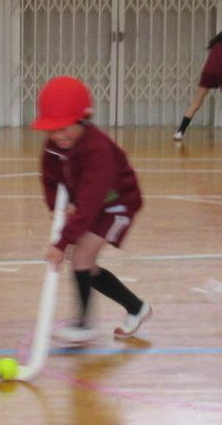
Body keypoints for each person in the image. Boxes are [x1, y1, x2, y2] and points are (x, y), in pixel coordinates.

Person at [34, 77, 150, 346]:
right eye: (51, 130)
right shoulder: (54, 147)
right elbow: (49, 179)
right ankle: (136, 308)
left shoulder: (98, 151)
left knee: (81, 257)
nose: (57, 137)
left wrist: (61, 243)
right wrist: (55, 210)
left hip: (118, 204)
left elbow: (88, 205)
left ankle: (84, 326)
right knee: (84, 264)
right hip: (95, 205)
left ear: (83, 120)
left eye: (64, 129)